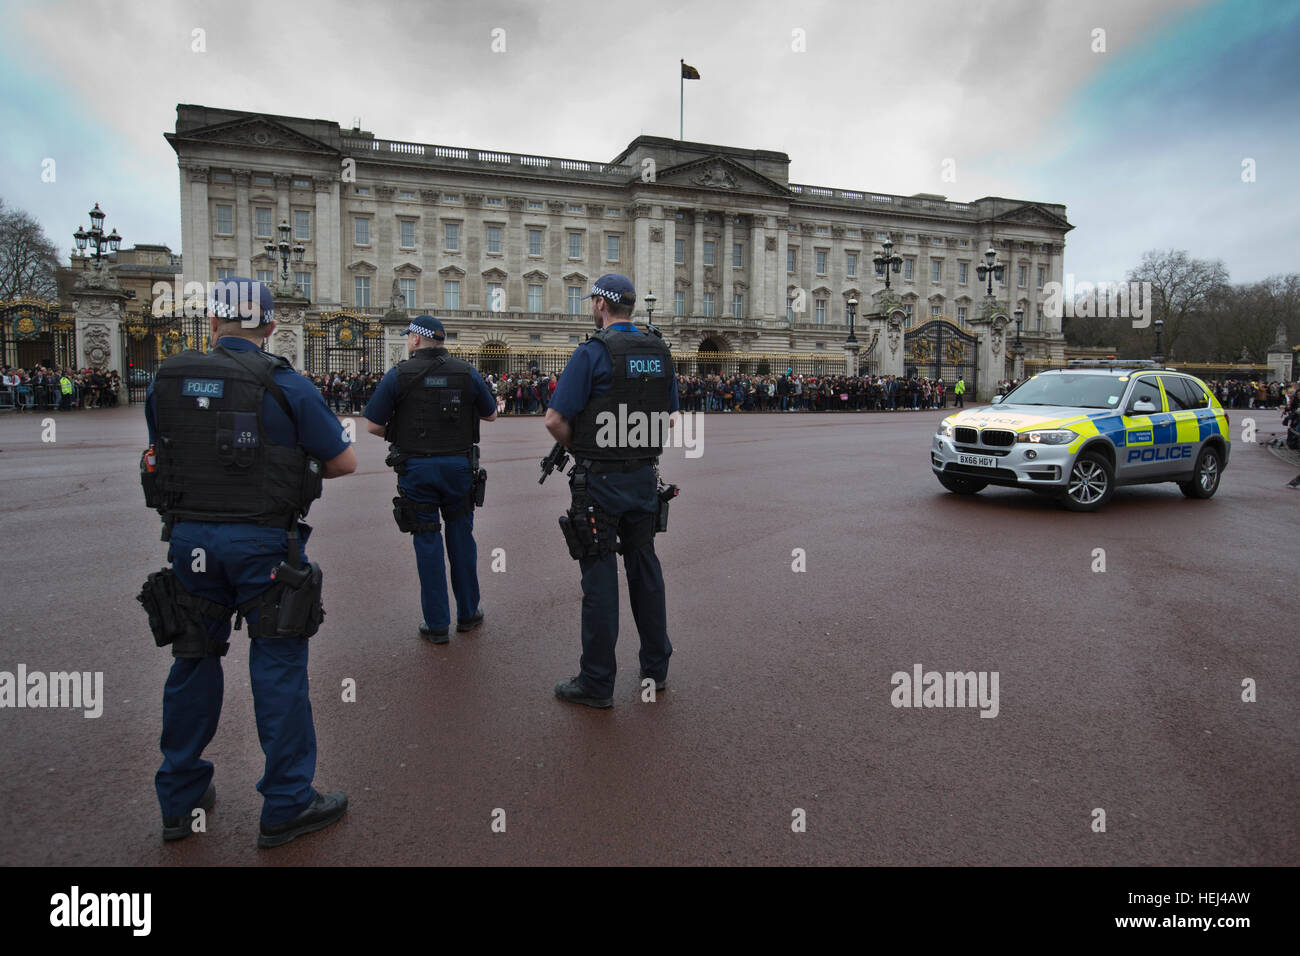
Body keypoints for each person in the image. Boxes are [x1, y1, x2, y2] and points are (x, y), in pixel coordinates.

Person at [140, 277, 357, 848]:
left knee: (192, 660)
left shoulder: (166, 380)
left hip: (189, 541)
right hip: (263, 543)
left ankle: (179, 798)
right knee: (278, 666)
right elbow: (344, 461)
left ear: (211, 322)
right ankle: (286, 802)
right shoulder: (286, 382)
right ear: (270, 326)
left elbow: (164, 446)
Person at [544, 274, 678, 709]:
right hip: (643, 477)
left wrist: (582, 446)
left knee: (600, 578)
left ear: (602, 305)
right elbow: (669, 419)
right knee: (645, 570)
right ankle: (655, 668)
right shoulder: (659, 352)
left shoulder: (593, 351)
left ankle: (597, 681)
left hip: (599, 481)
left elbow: (554, 420)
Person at [364, 316, 496, 642]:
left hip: (417, 469)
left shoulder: (398, 375)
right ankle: (468, 613)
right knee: (462, 540)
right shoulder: (466, 372)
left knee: (427, 542)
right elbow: (490, 413)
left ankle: (437, 623)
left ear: (415, 340)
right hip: (458, 467)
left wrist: (402, 431)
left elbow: (372, 425)